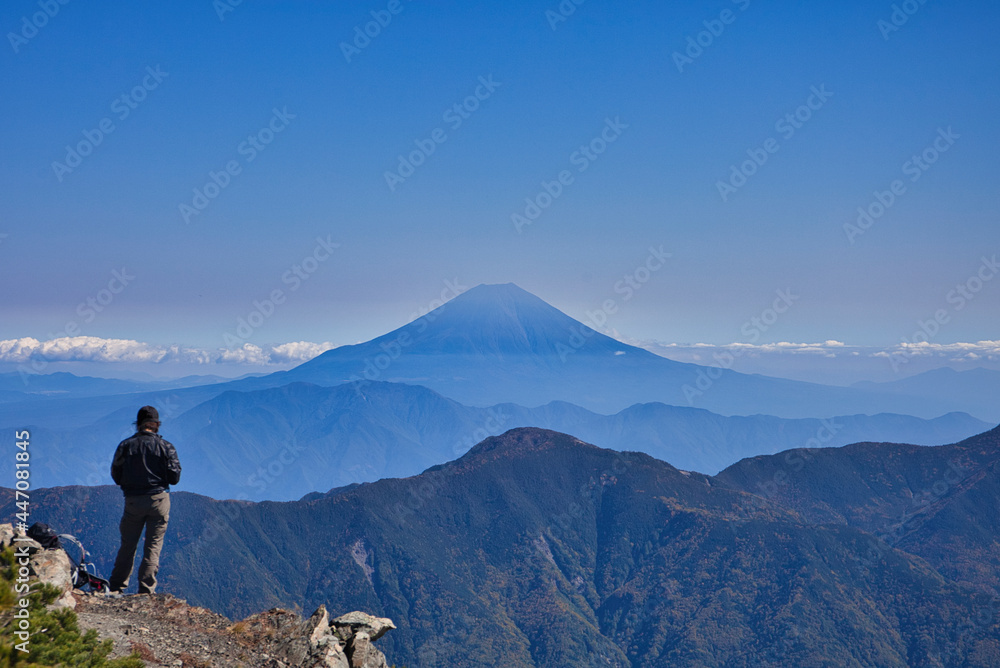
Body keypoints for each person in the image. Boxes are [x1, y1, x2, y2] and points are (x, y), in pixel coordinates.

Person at [108, 405, 181, 594]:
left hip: (133, 500)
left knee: (128, 545)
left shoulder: (125, 446)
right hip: (159, 499)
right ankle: (146, 589)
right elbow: (174, 477)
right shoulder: (166, 447)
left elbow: (116, 475)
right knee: (153, 545)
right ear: (156, 425)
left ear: (138, 425)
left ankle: (117, 586)